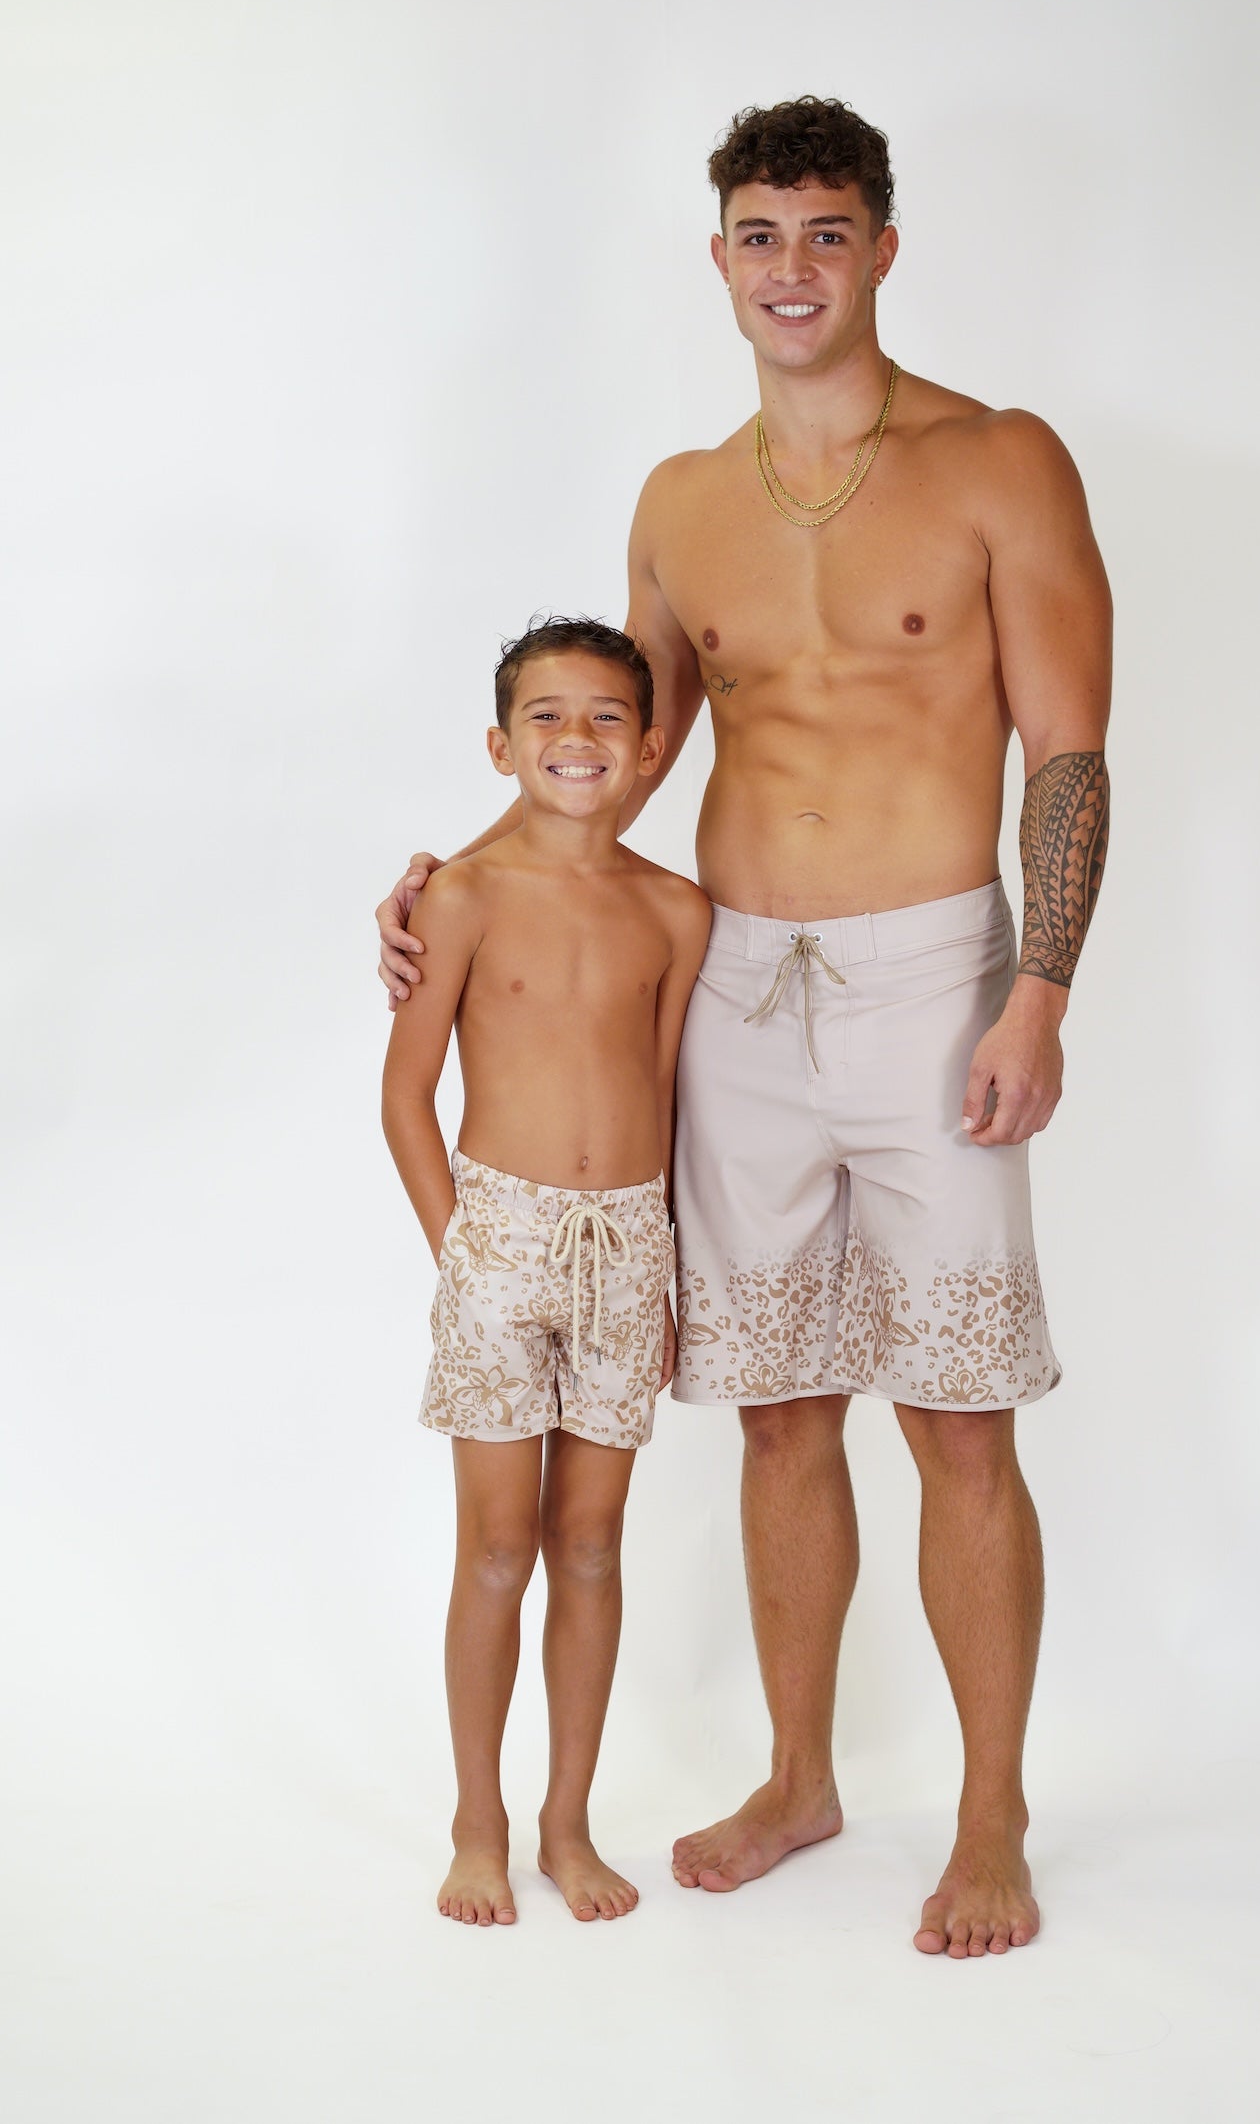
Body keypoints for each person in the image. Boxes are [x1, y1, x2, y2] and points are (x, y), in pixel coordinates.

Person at [377, 97, 1112, 1960]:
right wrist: (451, 885)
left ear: (883, 249)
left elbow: (1068, 747)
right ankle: (800, 1775)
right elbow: (612, 757)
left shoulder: (999, 460)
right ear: (719, 259)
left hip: (932, 979)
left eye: (828, 231)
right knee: (780, 1410)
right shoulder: (681, 502)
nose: (794, 268)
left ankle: (995, 1815)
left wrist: (1040, 987)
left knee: (958, 1414)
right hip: (734, 986)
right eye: (762, 235)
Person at [382, 615, 711, 1928]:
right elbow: (406, 1096)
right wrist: (459, 1250)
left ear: (651, 748)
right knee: (498, 1545)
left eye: (607, 716)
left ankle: (568, 1822)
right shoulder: (462, 895)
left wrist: (669, 1269)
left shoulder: (676, 909)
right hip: (499, 1240)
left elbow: (668, 1091)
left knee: (590, 1541)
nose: (578, 738)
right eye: (548, 716)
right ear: (500, 745)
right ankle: (479, 1822)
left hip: (629, 1246)